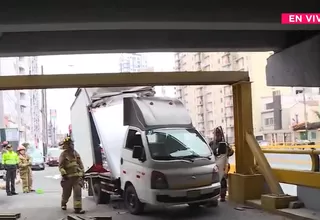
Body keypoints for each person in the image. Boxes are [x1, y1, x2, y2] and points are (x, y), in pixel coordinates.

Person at [59, 136, 85, 214]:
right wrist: (64, 174)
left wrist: (82, 173)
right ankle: (63, 203)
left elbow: (80, 165)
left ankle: (78, 208)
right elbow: (61, 166)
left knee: (78, 192)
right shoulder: (63, 155)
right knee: (66, 194)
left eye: (72, 144)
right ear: (66, 145)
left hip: (77, 178)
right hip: (67, 178)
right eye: (70, 144)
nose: (72, 146)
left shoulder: (76, 153)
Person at [209, 126, 234, 202]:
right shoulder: (211, 144)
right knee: (213, 181)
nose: (218, 135)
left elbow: (231, 153)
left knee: (223, 180)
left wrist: (228, 149)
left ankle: (222, 196)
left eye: (219, 134)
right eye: (217, 134)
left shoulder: (225, 144)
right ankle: (213, 197)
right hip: (214, 164)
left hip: (223, 164)